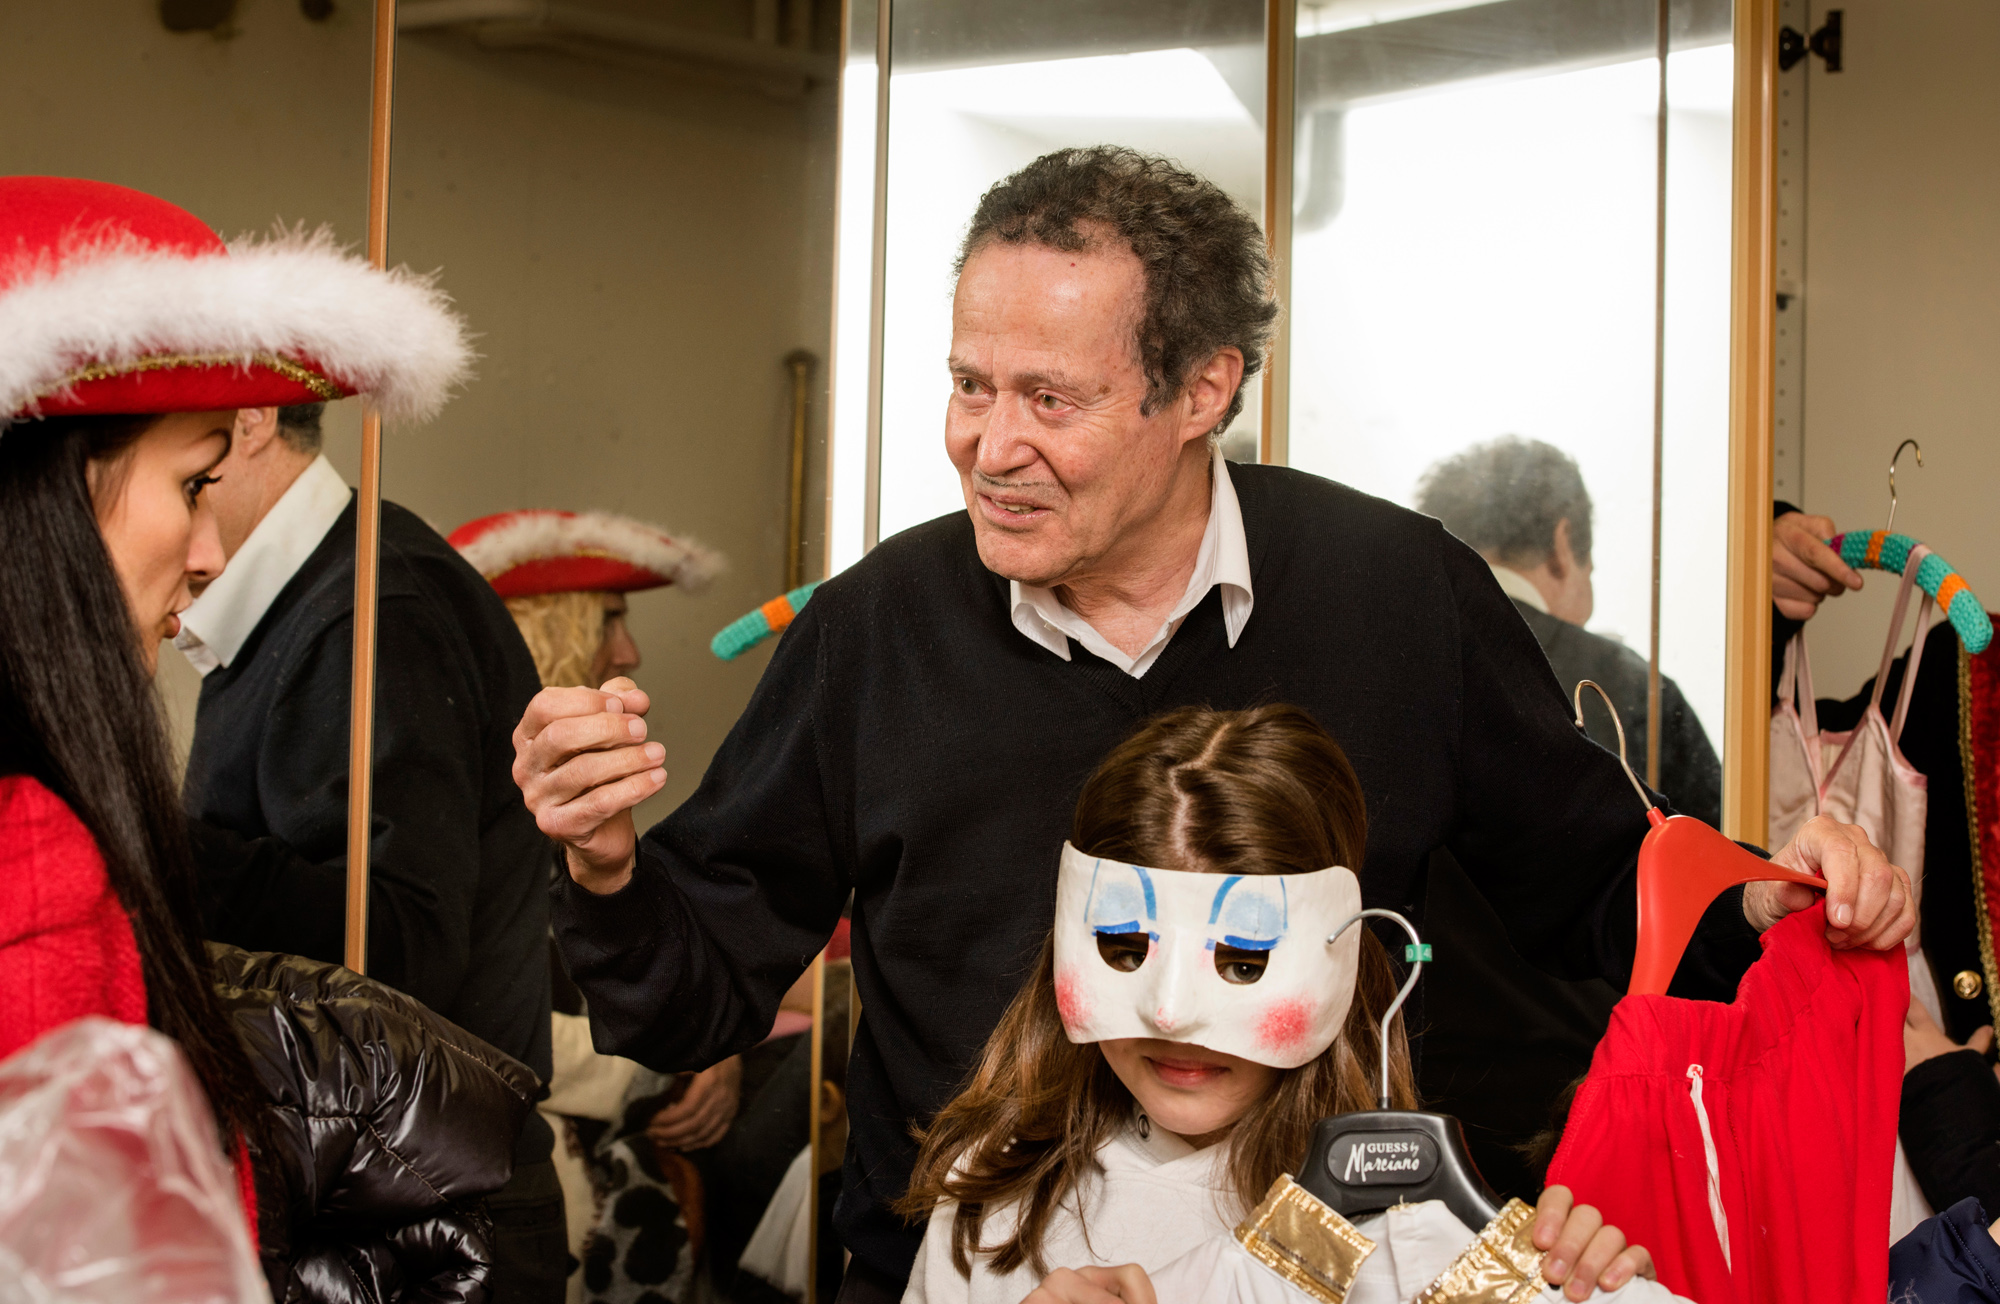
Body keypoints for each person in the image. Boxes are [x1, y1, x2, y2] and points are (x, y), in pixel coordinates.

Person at [513, 146, 1915, 1302]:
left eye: (1048, 399)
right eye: (969, 385)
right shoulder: (877, 633)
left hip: (1329, 1263)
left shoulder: (1398, 596)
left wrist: (1806, 911)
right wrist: (604, 863)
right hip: (974, 1270)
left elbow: (1604, 894)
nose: (988, 450)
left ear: (1203, 391)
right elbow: (692, 993)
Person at [0, 175, 530, 1302]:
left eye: (209, 487)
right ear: (58, 497)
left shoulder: (386, 610)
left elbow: (408, 936)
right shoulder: (32, 842)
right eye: (184, 486)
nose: (199, 551)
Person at [900, 705, 1677, 1304]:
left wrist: (1563, 1275)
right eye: (1128, 951)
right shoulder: (995, 1199)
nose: (1173, 1015)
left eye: (1242, 963)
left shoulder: (1409, 1236)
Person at [174, 400, 567, 1296]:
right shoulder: (298, 601)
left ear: (250, 418)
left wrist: (149, 849)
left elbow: (398, 953)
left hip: (440, 1236)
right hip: (395, 1202)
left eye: (179, 465)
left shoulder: (373, 611)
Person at [452, 507, 799, 1303]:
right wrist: (670, 1075)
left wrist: (715, 1050)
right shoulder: (473, 793)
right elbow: (478, 1022)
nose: (631, 649)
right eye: (611, 619)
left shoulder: (594, 803)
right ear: (552, 626)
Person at [1415, 437, 1720, 823]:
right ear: (1563, 543)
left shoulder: (1395, 662)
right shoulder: (1629, 685)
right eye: (1590, 566)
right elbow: (1713, 857)